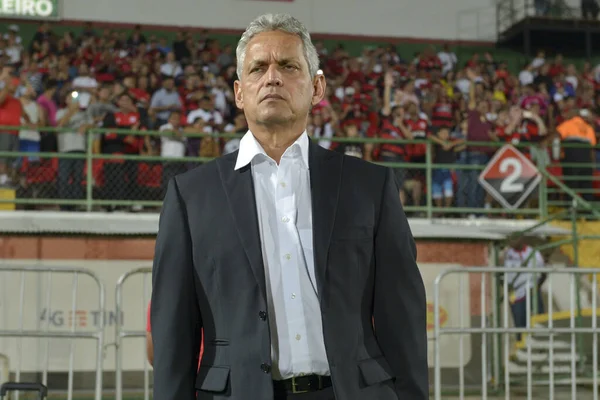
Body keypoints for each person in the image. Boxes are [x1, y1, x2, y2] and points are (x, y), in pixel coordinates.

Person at [151, 13, 427, 400]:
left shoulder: (370, 186)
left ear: (316, 88)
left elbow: (404, 319)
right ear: (239, 92)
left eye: (288, 66)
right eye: (258, 68)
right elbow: (173, 332)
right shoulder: (190, 196)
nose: (273, 77)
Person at [503, 237, 546, 342]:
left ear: (521, 239)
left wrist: (536, 287)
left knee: (538, 322)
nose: (511, 242)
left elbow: (544, 273)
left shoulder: (533, 253)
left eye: (514, 238)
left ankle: (541, 347)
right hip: (516, 295)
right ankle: (522, 348)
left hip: (531, 291)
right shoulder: (507, 254)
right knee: (519, 325)